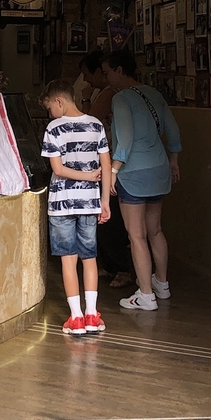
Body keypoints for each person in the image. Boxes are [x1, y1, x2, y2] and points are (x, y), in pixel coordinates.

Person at [102, 50, 182, 311]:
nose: (107, 78)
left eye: (108, 72)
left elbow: (124, 139)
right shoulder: (155, 94)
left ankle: (145, 295)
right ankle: (162, 283)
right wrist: (174, 160)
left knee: (136, 235)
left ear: (119, 71)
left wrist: (113, 171)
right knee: (155, 230)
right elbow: (172, 130)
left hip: (134, 173)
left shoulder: (121, 99)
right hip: (159, 167)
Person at [40, 79, 111, 335]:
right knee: (89, 258)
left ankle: (76, 318)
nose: (51, 114)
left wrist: (86, 176)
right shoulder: (96, 125)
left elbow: (57, 170)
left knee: (68, 261)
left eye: (50, 108)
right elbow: (106, 165)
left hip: (61, 204)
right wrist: (105, 201)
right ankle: (93, 314)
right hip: (90, 202)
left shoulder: (53, 129)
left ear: (59, 102)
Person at [80, 51, 135, 289]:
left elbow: (91, 122)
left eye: (88, 74)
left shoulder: (109, 94)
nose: (87, 80)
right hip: (111, 161)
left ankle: (121, 267)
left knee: (108, 219)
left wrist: (84, 100)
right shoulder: (115, 94)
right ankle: (113, 266)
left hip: (110, 162)